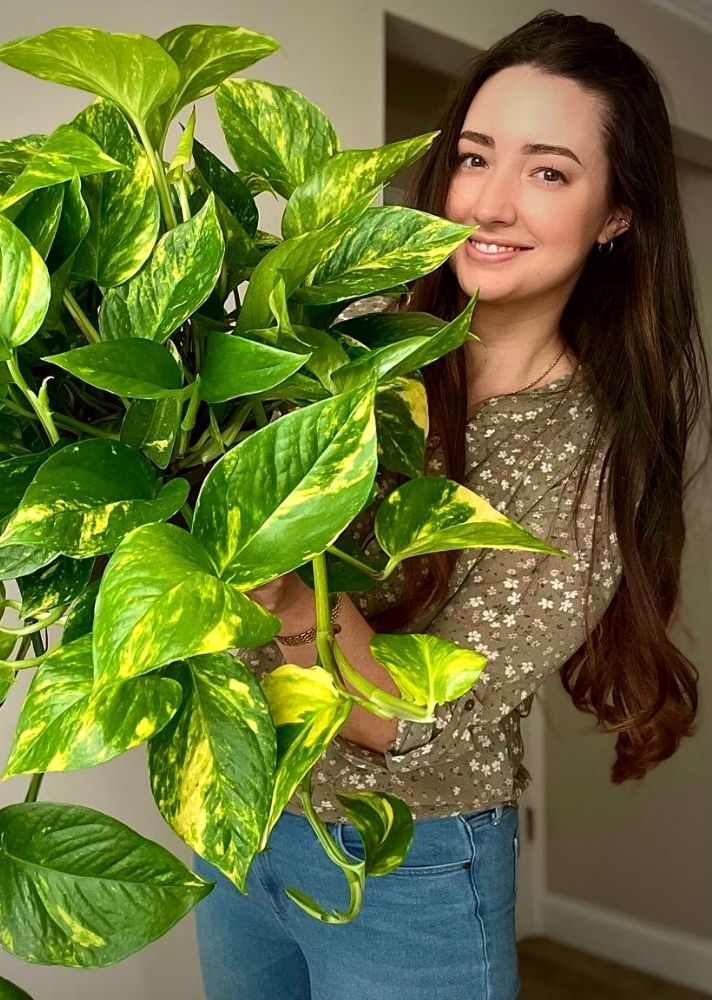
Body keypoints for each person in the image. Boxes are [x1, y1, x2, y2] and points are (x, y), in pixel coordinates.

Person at [191, 10, 710, 1000]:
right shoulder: (349, 347)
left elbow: (421, 719)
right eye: (475, 158)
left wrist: (268, 566)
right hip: (241, 812)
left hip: (408, 869)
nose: (491, 203)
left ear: (616, 214)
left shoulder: (588, 455)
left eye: (548, 172)